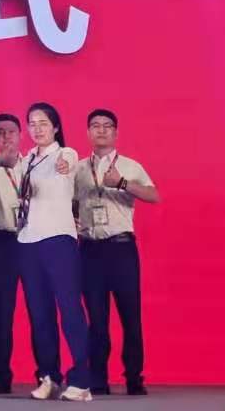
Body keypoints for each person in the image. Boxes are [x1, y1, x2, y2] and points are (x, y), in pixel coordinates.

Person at [76, 110, 159, 397]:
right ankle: (98, 379)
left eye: (107, 126)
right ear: (88, 132)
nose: (101, 130)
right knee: (96, 319)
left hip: (122, 249)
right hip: (90, 249)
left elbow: (153, 195)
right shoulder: (78, 168)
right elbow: (71, 202)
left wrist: (122, 183)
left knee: (130, 316)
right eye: (95, 126)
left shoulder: (130, 165)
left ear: (116, 132)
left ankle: (134, 377)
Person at [16, 103, 91, 402]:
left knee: (70, 310)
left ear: (56, 127)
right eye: (32, 123)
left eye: (43, 123)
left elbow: (68, 163)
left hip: (58, 240)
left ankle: (82, 380)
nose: (37, 128)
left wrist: (63, 164)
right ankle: (49, 376)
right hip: (27, 241)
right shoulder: (26, 160)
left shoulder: (66, 153)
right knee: (39, 314)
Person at [0, 112, 35, 396]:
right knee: (0, 311)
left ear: (21, 135)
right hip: (1, 243)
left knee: (39, 308)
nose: (6, 137)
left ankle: (47, 374)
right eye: (0, 132)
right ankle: (1, 374)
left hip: (33, 240)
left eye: (11, 132)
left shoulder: (34, 165)